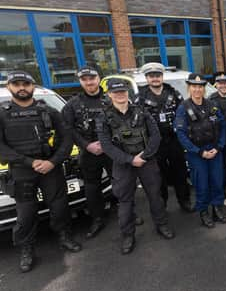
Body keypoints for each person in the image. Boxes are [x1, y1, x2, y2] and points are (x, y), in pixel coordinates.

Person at [0, 70, 81, 272]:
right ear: (9, 87)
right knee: (26, 214)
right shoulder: (3, 113)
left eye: (25, 84)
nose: (21, 88)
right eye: (16, 84)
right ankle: (26, 249)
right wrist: (29, 161)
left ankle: (64, 237)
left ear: (33, 86)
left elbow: (66, 138)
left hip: (50, 168)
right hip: (22, 170)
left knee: (60, 206)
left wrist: (53, 162)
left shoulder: (49, 111)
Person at [97, 78, 174, 255]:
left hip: (146, 161)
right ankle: (127, 235)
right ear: (109, 95)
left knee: (155, 196)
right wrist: (130, 160)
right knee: (125, 202)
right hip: (123, 165)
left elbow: (156, 136)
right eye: (116, 93)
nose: (120, 95)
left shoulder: (142, 111)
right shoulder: (104, 118)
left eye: (123, 92)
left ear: (127, 93)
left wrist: (144, 156)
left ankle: (162, 225)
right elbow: (107, 146)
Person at [134, 63, 193, 212]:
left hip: (174, 140)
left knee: (180, 172)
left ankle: (184, 200)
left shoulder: (173, 93)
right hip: (154, 143)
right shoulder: (140, 97)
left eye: (158, 76)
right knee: (158, 176)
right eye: (151, 76)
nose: (155, 79)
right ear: (147, 78)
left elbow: (183, 113)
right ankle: (162, 205)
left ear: (162, 77)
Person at [62, 66, 111, 239]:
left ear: (99, 78)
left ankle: (129, 214)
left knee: (121, 183)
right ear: (81, 81)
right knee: (92, 188)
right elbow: (67, 129)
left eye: (92, 78)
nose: (89, 82)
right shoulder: (72, 104)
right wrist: (86, 145)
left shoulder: (110, 97)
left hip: (113, 150)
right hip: (89, 151)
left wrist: (108, 144)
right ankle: (97, 219)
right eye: (85, 79)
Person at [175, 73, 226, 228]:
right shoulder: (183, 108)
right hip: (196, 153)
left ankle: (217, 208)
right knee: (201, 183)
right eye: (194, 86)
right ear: (189, 88)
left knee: (217, 181)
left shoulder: (212, 105)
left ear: (204, 89)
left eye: (200, 86)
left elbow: (223, 126)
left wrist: (219, 147)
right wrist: (198, 152)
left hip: (214, 150)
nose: (197, 89)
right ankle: (204, 211)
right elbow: (181, 134)